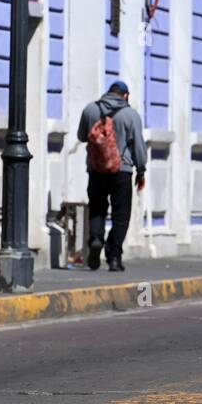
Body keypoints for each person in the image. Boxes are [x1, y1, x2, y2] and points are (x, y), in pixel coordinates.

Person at [77, 81, 148, 271]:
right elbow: (138, 146)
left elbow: (82, 136)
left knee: (97, 209)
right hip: (121, 171)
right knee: (121, 215)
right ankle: (114, 257)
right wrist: (141, 170)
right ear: (125, 95)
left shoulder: (90, 110)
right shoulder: (131, 115)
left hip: (96, 169)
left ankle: (96, 239)